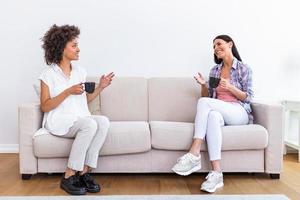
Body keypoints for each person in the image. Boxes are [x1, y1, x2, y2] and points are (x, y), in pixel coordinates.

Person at [172, 35, 253, 193]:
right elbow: (207, 99)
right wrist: (203, 85)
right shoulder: (215, 71)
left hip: (239, 111)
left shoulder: (244, 69)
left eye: (219, 44)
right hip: (220, 112)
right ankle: (217, 174)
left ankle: (194, 153)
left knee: (206, 106)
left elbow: (248, 97)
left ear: (230, 44)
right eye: (214, 46)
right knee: (212, 116)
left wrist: (230, 87)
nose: (216, 48)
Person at [39, 24, 114, 195]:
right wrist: (68, 91)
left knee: (102, 121)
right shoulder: (47, 75)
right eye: (74, 46)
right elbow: (45, 105)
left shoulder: (80, 71)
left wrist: (101, 87)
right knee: (89, 124)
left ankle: (84, 172)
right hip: (58, 119)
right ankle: (69, 175)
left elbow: (84, 100)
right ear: (61, 48)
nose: (78, 49)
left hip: (79, 117)